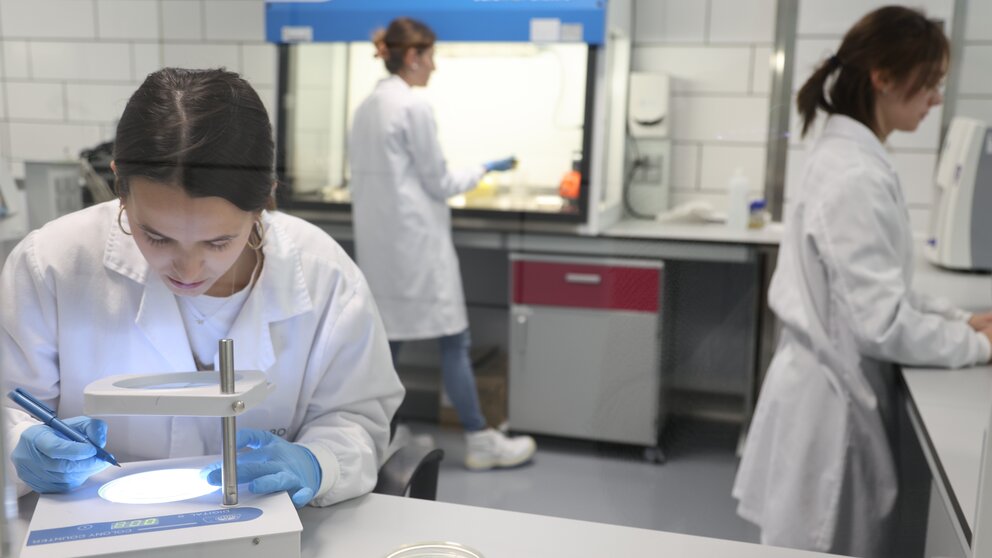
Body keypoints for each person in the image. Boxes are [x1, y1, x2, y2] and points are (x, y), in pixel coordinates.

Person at [0, 68, 405, 508]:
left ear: (265, 199)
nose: (188, 269)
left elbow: (356, 416)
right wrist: (22, 441)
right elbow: (12, 404)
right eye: (156, 236)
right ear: (120, 187)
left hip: (268, 529)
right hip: (94, 525)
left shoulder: (325, 277)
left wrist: (317, 460)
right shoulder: (53, 264)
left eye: (218, 241)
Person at [732, 6, 992, 557]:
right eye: (930, 83)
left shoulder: (852, 156)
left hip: (826, 393)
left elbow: (881, 286)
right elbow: (880, 323)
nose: (937, 99)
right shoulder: (854, 173)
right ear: (883, 76)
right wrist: (975, 344)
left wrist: (956, 318)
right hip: (831, 414)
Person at [348, 17, 536, 471]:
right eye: (430, 56)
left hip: (381, 247)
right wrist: (485, 167)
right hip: (416, 247)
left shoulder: (367, 107)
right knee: (454, 337)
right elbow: (441, 181)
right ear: (411, 56)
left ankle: (375, 436)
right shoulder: (413, 107)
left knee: (385, 344)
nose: (433, 65)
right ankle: (481, 439)